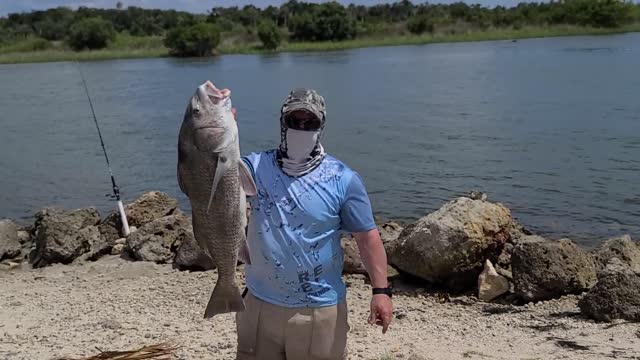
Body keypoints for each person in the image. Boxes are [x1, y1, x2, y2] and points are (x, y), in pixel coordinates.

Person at [236, 88, 392, 360]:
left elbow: (367, 239)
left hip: (319, 310)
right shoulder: (254, 168)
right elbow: (213, 174)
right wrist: (219, 131)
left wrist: (381, 291)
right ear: (282, 123)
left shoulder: (343, 179)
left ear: (322, 126)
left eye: (310, 122)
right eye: (294, 121)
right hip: (258, 305)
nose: (301, 127)